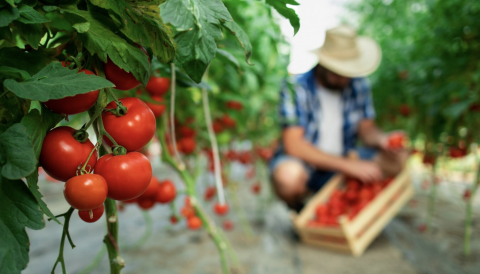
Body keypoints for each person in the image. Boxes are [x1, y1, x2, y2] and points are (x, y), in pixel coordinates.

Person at [270, 25, 408, 211]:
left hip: (345, 160)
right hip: (308, 166)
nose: (344, 79)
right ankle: (302, 209)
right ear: (323, 64)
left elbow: (367, 129)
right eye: (338, 72)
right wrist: (349, 166)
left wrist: (382, 139)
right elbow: (293, 145)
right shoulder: (295, 88)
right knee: (288, 177)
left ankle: (349, 203)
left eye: (348, 72)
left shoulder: (358, 85)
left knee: (399, 159)